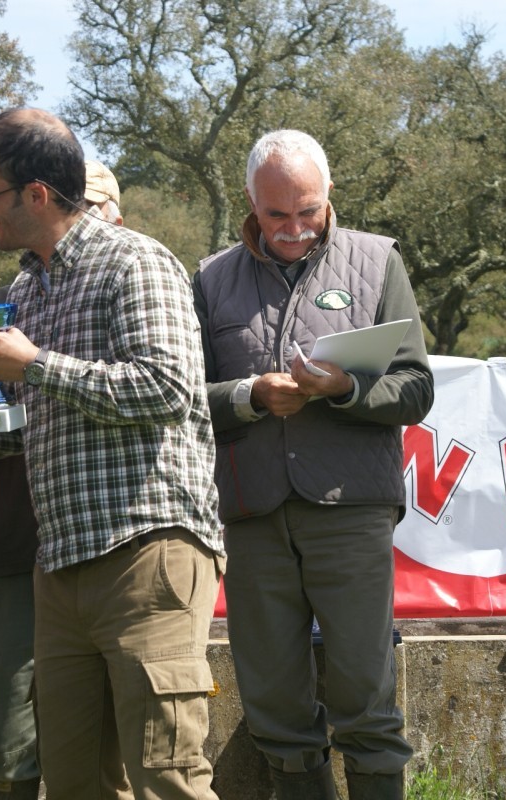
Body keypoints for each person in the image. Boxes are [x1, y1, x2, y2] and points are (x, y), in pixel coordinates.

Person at [0, 108, 225, 799]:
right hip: (60, 564)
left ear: (37, 194)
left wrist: (37, 365)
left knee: (167, 775)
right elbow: (21, 430)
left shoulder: (136, 262)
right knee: (77, 782)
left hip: (148, 552)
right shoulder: (27, 288)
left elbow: (168, 388)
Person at [193, 129, 433, 800]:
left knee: (366, 693)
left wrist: (346, 388)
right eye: (277, 214)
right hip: (252, 512)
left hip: (350, 507)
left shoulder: (378, 261)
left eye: (309, 210)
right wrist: (249, 396)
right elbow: (183, 397)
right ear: (251, 202)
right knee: (273, 701)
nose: (295, 228)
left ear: (329, 196)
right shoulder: (210, 278)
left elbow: (416, 389)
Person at [0, 159, 124, 799]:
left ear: (115, 217)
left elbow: (164, 397)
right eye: (75, 206)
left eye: (94, 209)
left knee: (112, 747)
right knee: (9, 747)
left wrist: (47, 378)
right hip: (21, 547)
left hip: (112, 548)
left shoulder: (135, 293)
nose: (81, 221)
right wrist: (10, 403)